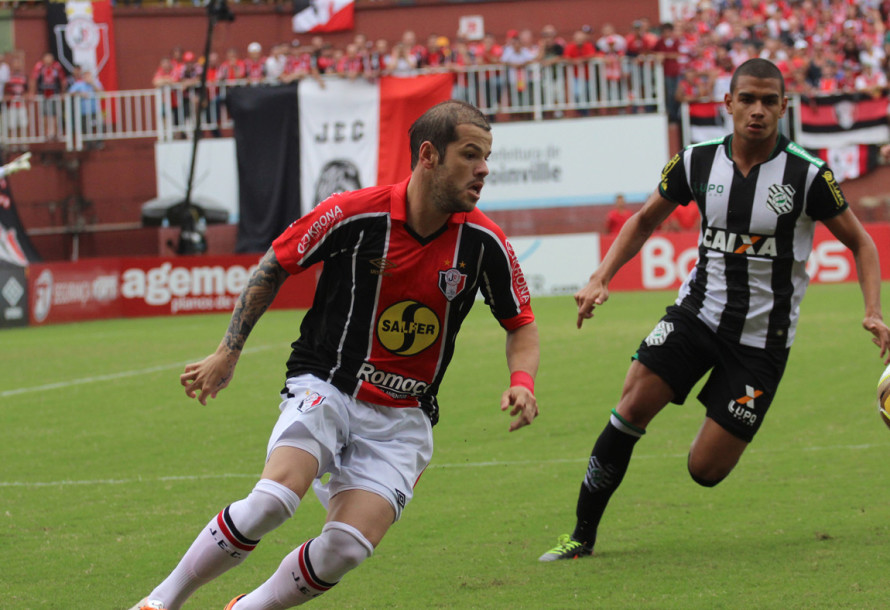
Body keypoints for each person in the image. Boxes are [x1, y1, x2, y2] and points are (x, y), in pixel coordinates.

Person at [130, 100, 540, 610]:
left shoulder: (484, 243)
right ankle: (160, 601)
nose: (483, 170)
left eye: (487, 158)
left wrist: (522, 379)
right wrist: (227, 352)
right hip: (327, 384)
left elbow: (520, 322)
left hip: (405, 416)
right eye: (471, 155)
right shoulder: (355, 212)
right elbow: (274, 264)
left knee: (347, 547)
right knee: (272, 502)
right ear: (429, 155)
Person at [539, 58, 890, 561]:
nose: (757, 110)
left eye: (769, 101)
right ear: (728, 104)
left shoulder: (808, 174)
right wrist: (600, 276)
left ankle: (713, 426)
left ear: (784, 107)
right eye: (747, 98)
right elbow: (642, 221)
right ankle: (580, 535)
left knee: (705, 471)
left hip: (762, 343)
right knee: (631, 406)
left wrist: (873, 309)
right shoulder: (697, 161)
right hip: (697, 314)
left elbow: (862, 243)